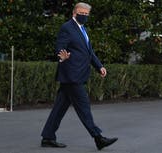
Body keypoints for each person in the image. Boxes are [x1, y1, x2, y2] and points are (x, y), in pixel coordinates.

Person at [40, 2, 118, 150]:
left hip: (76, 75)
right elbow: (60, 47)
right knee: (84, 107)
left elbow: (89, 52)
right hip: (72, 75)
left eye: (87, 14)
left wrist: (99, 66)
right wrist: (61, 56)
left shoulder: (82, 29)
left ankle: (48, 137)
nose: (84, 16)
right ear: (74, 13)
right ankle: (98, 138)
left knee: (60, 108)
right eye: (82, 13)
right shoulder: (67, 28)